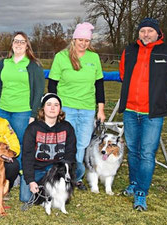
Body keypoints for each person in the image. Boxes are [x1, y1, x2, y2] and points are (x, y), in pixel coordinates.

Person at [118, 18, 167, 211]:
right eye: (142, 31)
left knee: (147, 154)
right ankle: (134, 184)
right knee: (133, 151)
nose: (145, 34)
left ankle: (141, 193)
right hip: (130, 111)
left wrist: (164, 96)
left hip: (152, 114)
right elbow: (122, 74)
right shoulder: (129, 51)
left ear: (157, 33)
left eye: (149, 31)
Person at [48, 22, 105, 190]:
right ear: (74, 39)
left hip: (87, 108)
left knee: (82, 144)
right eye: (80, 39)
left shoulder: (93, 58)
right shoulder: (61, 56)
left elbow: (99, 85)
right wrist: (55, 107)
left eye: (86, 41)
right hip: (67, 108)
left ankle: (76, 177)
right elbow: (52, 84)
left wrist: (100, 109)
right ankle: (62, 175)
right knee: (66, 143)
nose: (83, 43)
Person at [0, 31, 45, 168]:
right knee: (2, 143)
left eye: (22, 41)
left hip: (23, 112)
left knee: (20, 144)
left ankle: (19, 172)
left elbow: (39, 91)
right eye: (16, 41)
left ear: (27, 46)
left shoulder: (33, 65)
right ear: (12, 45)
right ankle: (4, 171)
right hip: (2, 110)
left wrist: (33, 114)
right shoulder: (3, 64)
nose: (18, 44)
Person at [20, 93, 76, 202]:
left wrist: (64, 172)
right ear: (43, 108)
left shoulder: (67, 127)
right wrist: (31, 181)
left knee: (79, 169)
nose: (52, 108)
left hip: (57, 169)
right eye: (49, 104)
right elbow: (27, 156)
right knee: (26, 198)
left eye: (56, 105)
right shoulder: (33, 128)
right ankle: (48, 189)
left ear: (60, 109)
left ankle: (53, 188)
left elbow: (71, 152)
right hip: (37, 168)